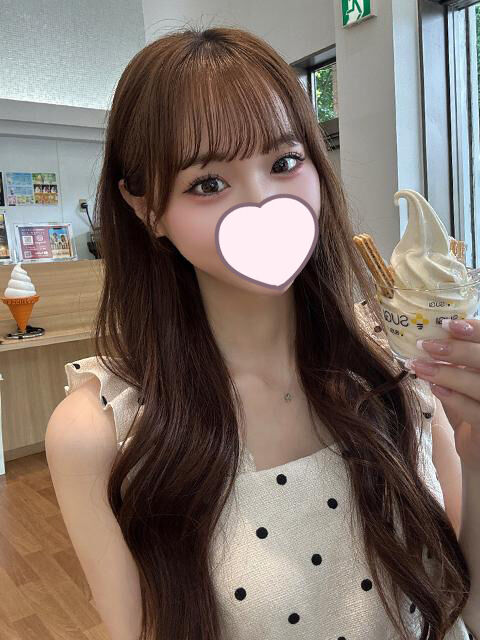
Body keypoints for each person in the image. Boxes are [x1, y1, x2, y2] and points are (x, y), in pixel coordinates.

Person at [45, 25, 475, 640]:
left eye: (284, 162)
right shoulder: (102, 434)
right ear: (146, 209)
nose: (264, 203)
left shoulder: (397, 362)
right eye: (208, 184)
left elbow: (468, 610)